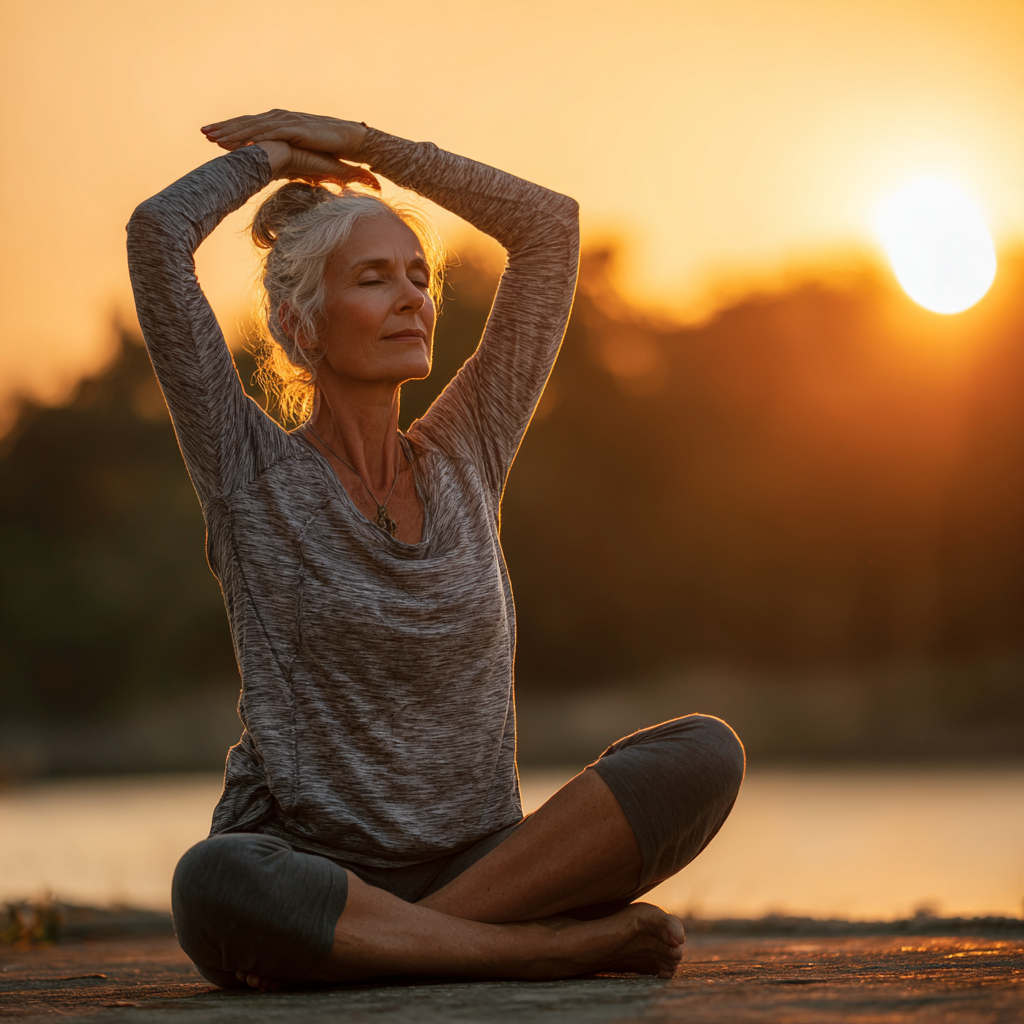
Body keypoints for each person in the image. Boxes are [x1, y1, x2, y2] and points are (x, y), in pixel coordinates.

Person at [126, 109, 745, 990]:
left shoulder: (467, 450)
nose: (413, 297)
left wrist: (375, 149)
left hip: (489, 862)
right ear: (302, 326)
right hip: (315, 867)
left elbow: (547, 227)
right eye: (375, 279)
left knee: (704, 752)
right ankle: (541, 950)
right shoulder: (248, 471)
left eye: (419, 277)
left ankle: (399, 945)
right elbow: (157, 237)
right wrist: (269, 161)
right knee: (216, 881)